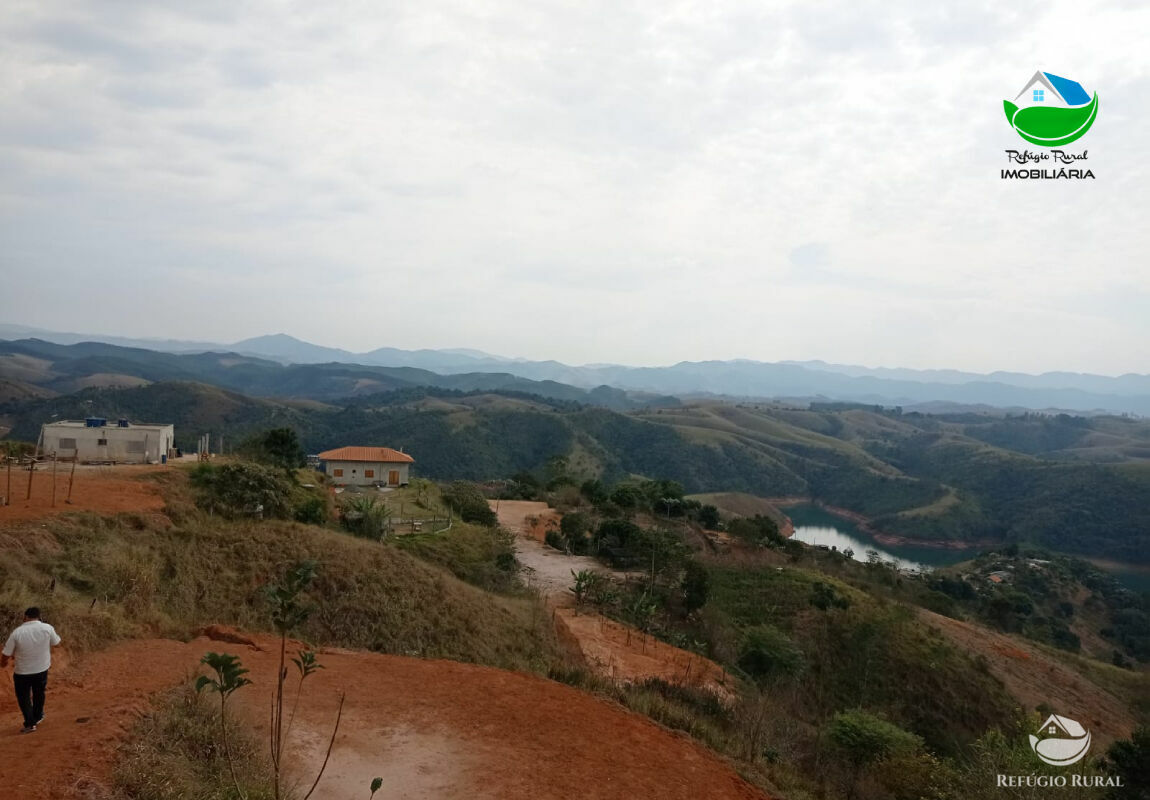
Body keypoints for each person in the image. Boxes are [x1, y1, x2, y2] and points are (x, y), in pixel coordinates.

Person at [1, 607, 62, 734]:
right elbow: (57, 643)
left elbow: (6, 653)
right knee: (39, 693)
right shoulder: (47, 628)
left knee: (24, 697)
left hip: (23, 672)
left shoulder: (17, 632)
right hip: (41, 669)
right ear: (39, 616)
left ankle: (30, 723)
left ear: (25, 616)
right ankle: (38, 716)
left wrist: (3, 663)